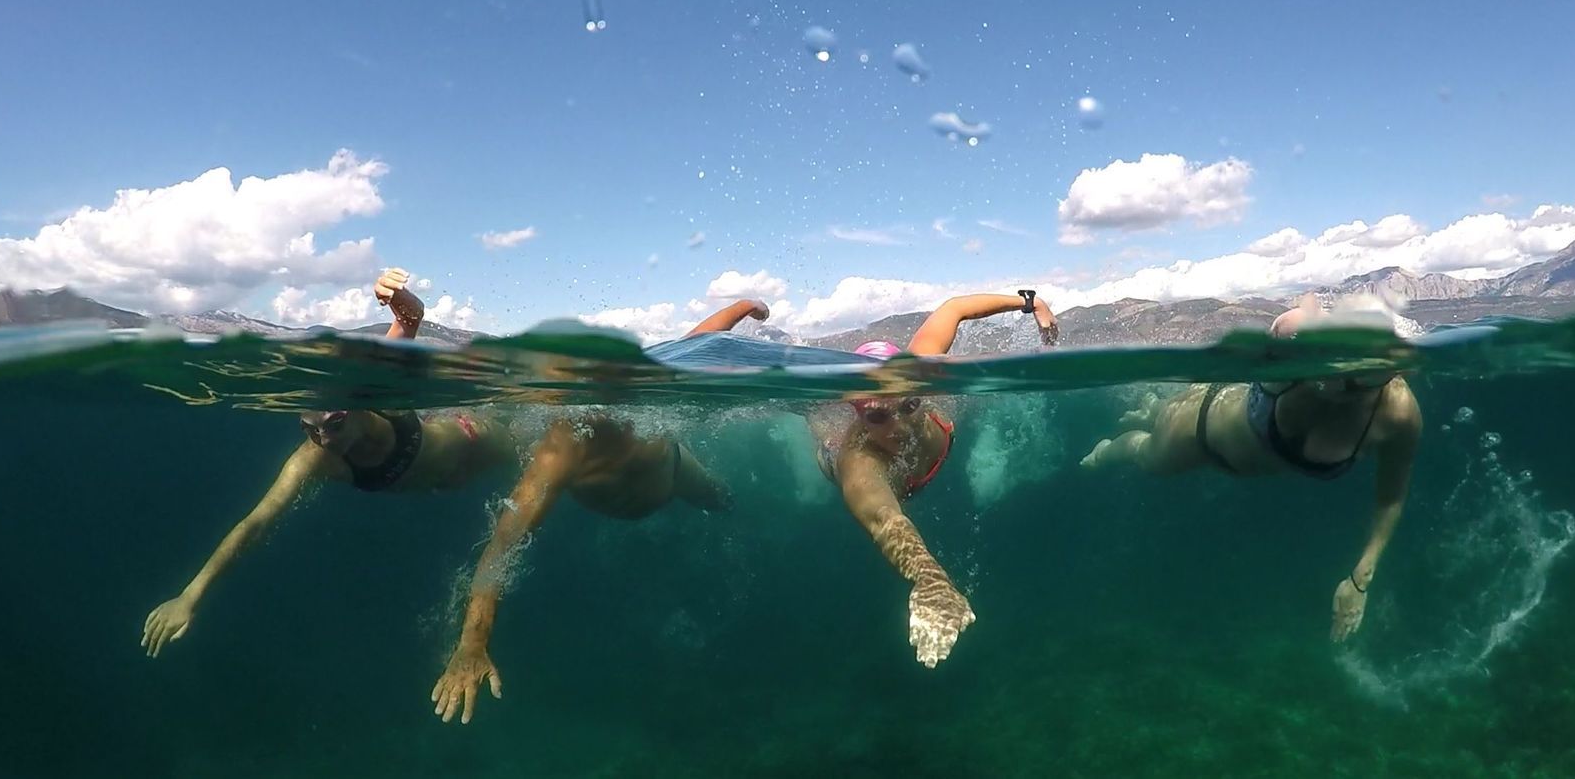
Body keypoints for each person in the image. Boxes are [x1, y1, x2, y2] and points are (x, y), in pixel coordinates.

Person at [141, 267, 520, 657]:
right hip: (442, 486)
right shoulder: (315, 459)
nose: (322, 439)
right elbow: (254, 524)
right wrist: (190, 596)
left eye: (334, 425)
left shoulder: (373, 388)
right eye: (308, 427)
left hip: (477, 442)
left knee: (532, 464)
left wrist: (394, 295)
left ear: (355, 407)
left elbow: (411, 318)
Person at [428, 300, 768, 724]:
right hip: (623, 499)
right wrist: (472, 644)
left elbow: (695, 345)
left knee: (724, 501)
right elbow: (502, 546)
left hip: (676, 471)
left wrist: (742, 307)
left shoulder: (650, 388)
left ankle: (756, 538)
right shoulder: (562, 449)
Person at [1080, 300, 1422, 642]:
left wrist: (1362, 577)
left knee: (1159, 418)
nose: (1334, 382)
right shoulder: (1299, 351)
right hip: (1196, 431)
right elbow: (1305, 310)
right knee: (1147, 456)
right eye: (1332, 370)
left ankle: (1150, 408)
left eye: (1352, 377)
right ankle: (1107, 451)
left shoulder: (1399, 416)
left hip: (1227, 427)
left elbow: (1391, 497)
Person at [812, 290, 1059, 668]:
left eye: (909, 405)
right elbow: (885, 520)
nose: (900, 425)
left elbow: (954, 308)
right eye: (878, 417)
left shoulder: (926, 372)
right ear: (861, 417)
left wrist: (1031, 302)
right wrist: (931, 580)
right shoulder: (859, 463)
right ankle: (814, 421)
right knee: (825, 436)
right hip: (836, 456)